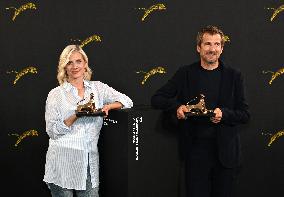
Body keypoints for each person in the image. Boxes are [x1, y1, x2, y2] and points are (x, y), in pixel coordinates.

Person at [151, 25, 250, 197]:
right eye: (208, 44)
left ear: (222, 48)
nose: (212, 49)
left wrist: (224, 114)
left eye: (217, 44)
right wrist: (177, 108)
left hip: (226, 155)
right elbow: (157, 98)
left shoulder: (234, 75)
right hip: (195, 152)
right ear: (198, 47)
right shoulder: (186, 73)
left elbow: (245, 114)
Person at [43, 45, 133, 197]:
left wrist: (108, 106)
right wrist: (75, 115)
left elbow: (127, 101)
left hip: (88, 162)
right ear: (64, 67)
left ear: (85, 64)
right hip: (62, 163)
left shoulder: (98, 89)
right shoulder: (56, 94)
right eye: (69, 62)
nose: (75, 66)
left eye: (78, 61)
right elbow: (52, 131)